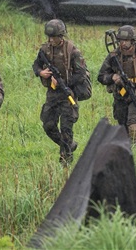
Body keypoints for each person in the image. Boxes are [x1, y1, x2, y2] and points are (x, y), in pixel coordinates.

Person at [33, 19, 91, 165]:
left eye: (54, 37)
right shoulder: (44, 50)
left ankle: (65, 159)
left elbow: (81, 74)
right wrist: (41, 72)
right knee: (48, 125)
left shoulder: (73, 51)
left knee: (66, 127)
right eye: (49, 37)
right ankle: (68, 146)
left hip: (68, 94)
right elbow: (36, 64)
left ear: (61, 36)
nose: (51, 40)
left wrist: (63, 83)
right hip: (52, 94)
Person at [98, 25, 136, 145]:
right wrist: (112, 77)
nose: (123, 44)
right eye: (121, 40)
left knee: (133, 127)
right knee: (122, 128)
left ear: (132, 41)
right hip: (120, 96)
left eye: (126, 41)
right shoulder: (114, 55)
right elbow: (101, 76)